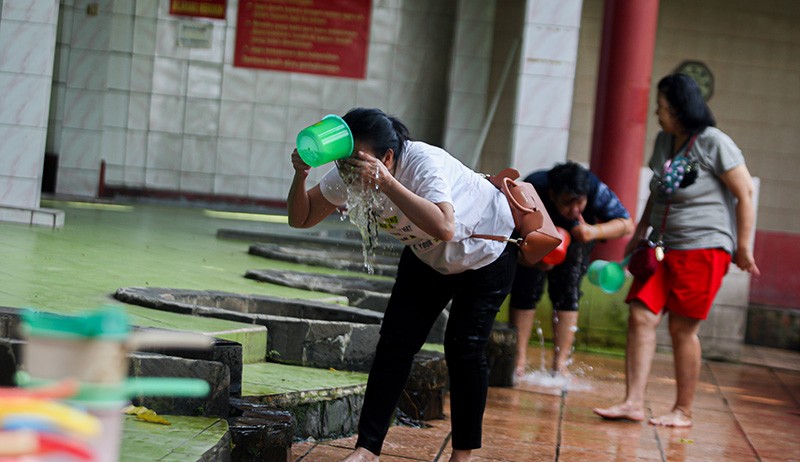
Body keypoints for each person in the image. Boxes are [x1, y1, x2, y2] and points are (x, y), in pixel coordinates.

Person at [287, 107, 518, 462]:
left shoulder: (424, 163)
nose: (351, 173)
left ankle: (463, 454)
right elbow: (301, 219)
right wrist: (301, 175)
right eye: (345, 164)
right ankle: (367, 449)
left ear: (388, 157)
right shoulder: (350, 172)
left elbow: (445, 226)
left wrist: (388, 183)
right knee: (395, 344)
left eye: (359, 164)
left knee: (464, 349)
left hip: (486, 252)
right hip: (427, 255)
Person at [593, 73, 760, 427]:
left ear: (682, 108)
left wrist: (743, 246)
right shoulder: (664, 140)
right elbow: (658, 189)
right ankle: (633, 402)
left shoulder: (714, 143)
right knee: (641, 315)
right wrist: (640, 230)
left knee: (682, 330)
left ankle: (683, 410)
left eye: (663, 107)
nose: (657, 112)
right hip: (661, 248)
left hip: (703, 248)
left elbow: (744, 193)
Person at [509, 162, 634, 377]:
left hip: (576, 240)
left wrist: (594, 231)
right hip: (535, 238)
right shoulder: (533, 187)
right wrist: (529, 258)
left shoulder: (594, 188)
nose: (575, 209)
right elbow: (509, 229)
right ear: (552, 194)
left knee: (568, 293)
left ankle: (560, 364)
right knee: (525, 291)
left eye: (580, 203)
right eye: (568, 203)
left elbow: (626, 224)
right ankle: (517, 361)